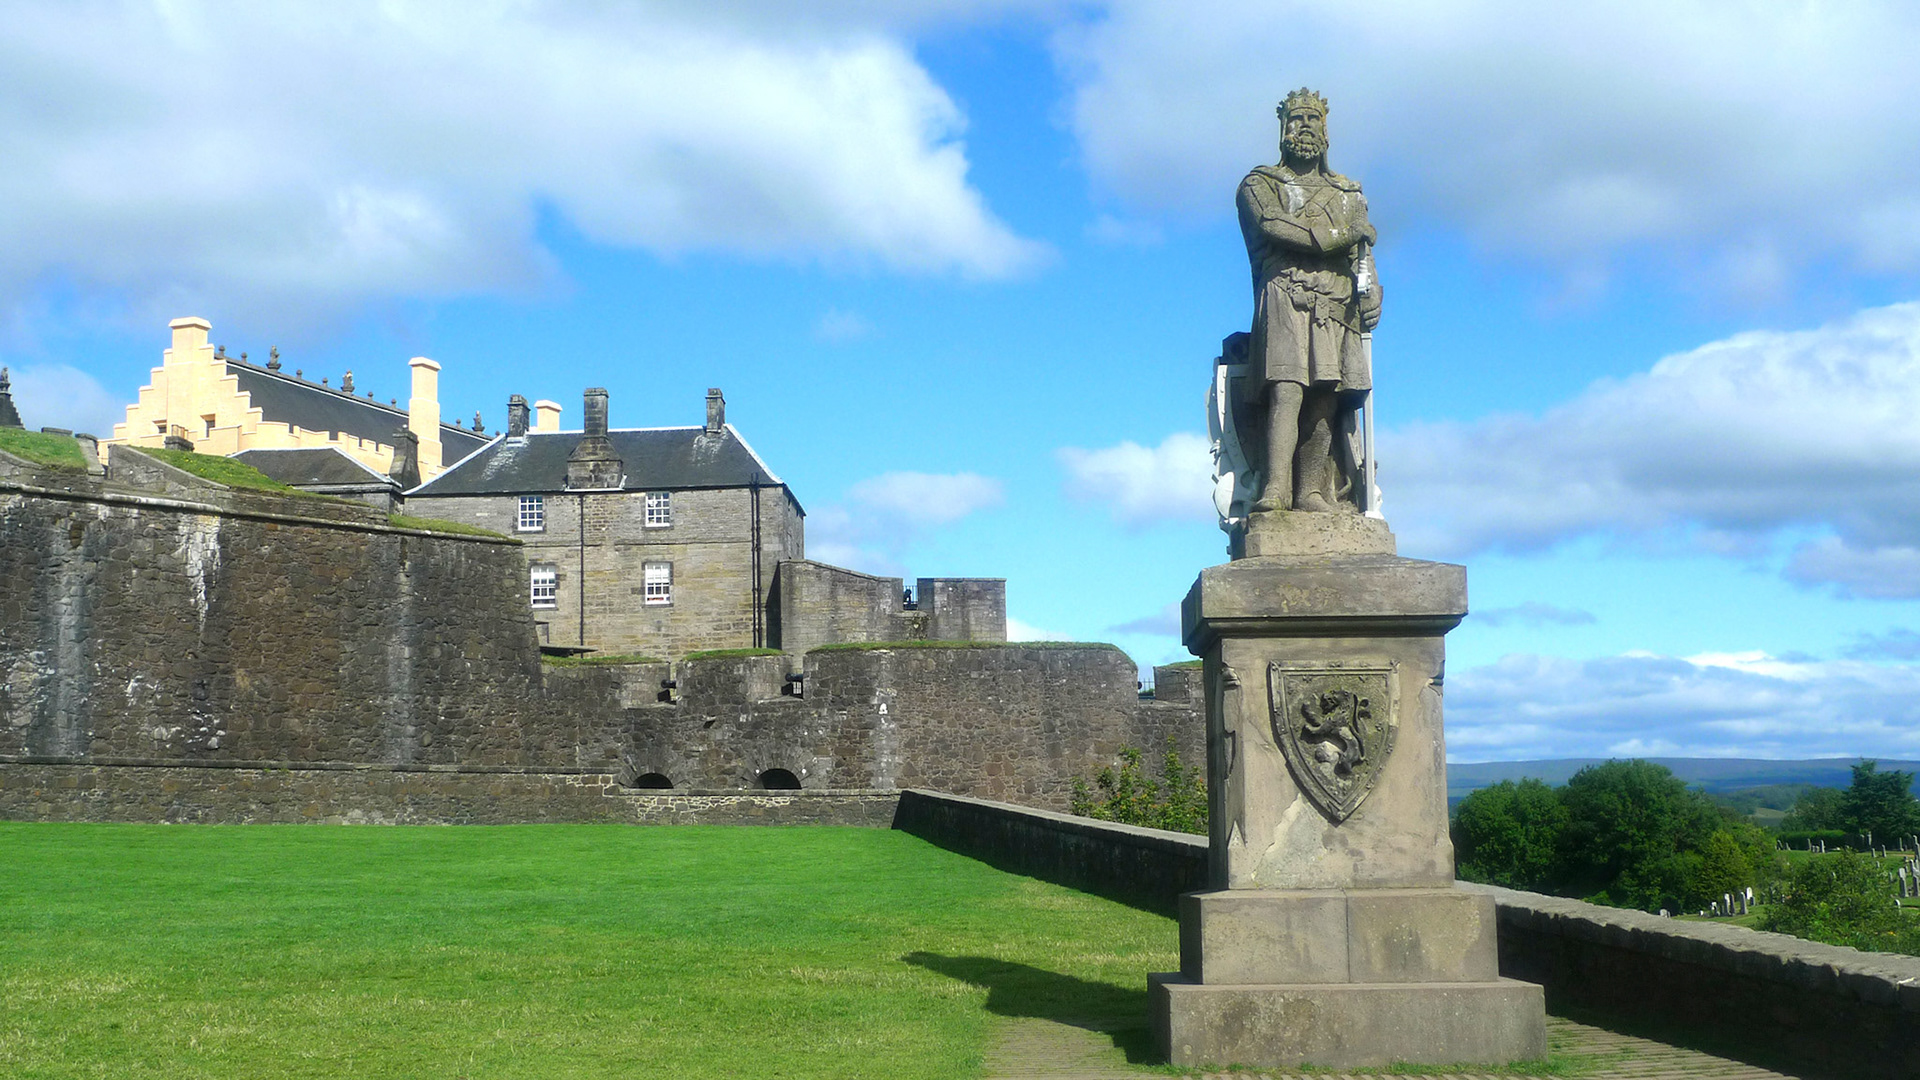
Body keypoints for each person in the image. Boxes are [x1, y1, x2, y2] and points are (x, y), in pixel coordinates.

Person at [1236, 88, 1381, 512]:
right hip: (1287, 295)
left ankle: (1311, 489)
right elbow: (1277, 227)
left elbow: (1364, 259)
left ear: (1326, 130)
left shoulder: (1348, 193)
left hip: (1337, 305)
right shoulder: (1260, 184)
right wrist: (1345, 234)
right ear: (1282, 129)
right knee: (1287, 388)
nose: (1304, 126)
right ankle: (1276, 487)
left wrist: (1373, 293)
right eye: (1295, 119)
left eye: (1312, 119)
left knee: (1326, 394)